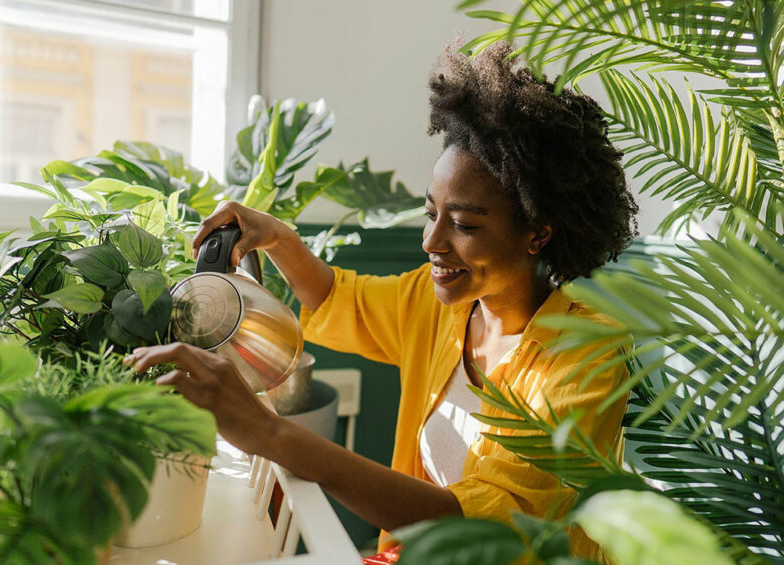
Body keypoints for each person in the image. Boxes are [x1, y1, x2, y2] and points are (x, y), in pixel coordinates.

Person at [124, 42, 638, 561]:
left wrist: (268, 433)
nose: (431, 242)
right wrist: (279, 238)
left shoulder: (587, 354)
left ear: (538, 233)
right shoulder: (442, 304)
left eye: (463, 225)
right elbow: (339, 299)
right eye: (430, 213)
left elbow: (486, 528)